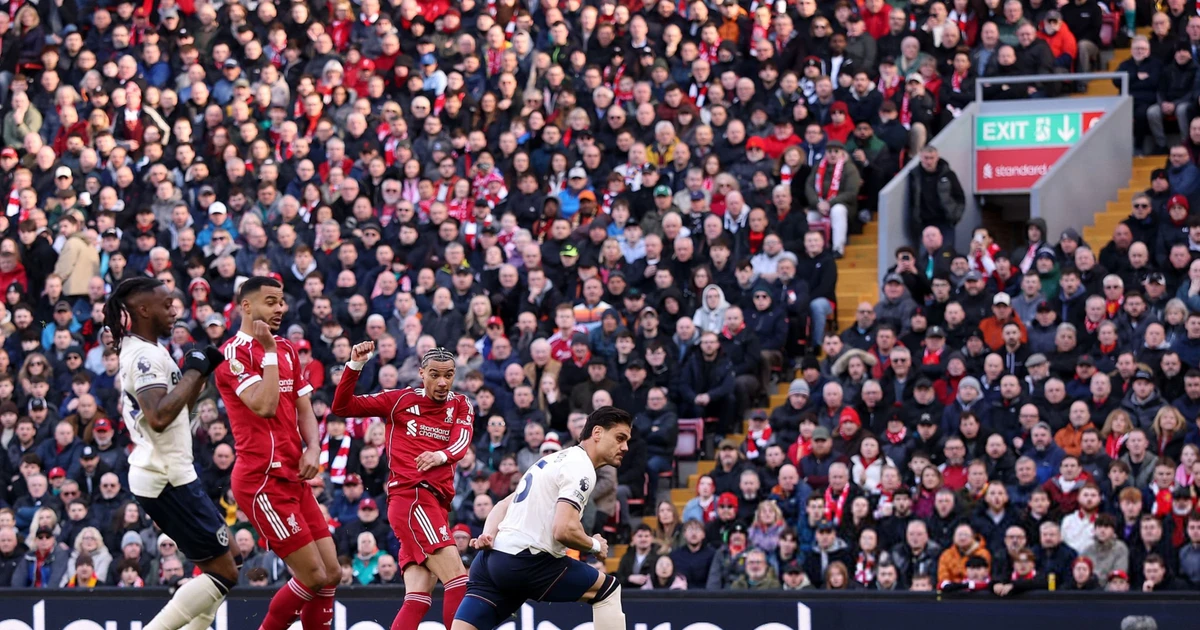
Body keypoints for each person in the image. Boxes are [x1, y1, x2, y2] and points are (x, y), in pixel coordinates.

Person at [104, 278, 238, 630]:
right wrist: (193, 371)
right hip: (167, 476)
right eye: (166, 305)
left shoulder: (148, 349)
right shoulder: (146, 356)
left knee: (226, 564)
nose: (174, 311)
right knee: (225, 572)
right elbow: (160, 417)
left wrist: (199, 377)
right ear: (143, 310)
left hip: (168, 472)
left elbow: (176, 410)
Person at [213, 277, 338, 630]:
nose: (280, 309)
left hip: (294, 475)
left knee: (331, 574)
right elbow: (265, 406)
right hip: (261, 480)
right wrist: (267, 352)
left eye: (281, 302)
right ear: (247, 306)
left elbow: (304, 408)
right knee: (313, 576)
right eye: (271, 302)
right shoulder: (234, 354)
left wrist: (313, 448)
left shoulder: (285, 347)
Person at [331, 342, 474, 630]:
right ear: (421, 373)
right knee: (459, 579)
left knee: (418, 597)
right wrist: (355, 365)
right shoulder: (399, 400)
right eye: (435, 374)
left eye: (449, 375)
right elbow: (342, 406)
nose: (443, 382)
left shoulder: (461, 404)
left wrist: (440, 455)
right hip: (414, 499)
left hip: (433, 505)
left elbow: (462, 440)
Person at [451, 407, 631, 630]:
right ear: (597, 433)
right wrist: (595, 545)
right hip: (525, 562)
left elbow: (501, 505)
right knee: (608, 590)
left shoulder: (550, 460)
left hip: (489, 561)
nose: (625, 447)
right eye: (620, 438)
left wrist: (488, 534)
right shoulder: (581, 466)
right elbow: (563, 530)